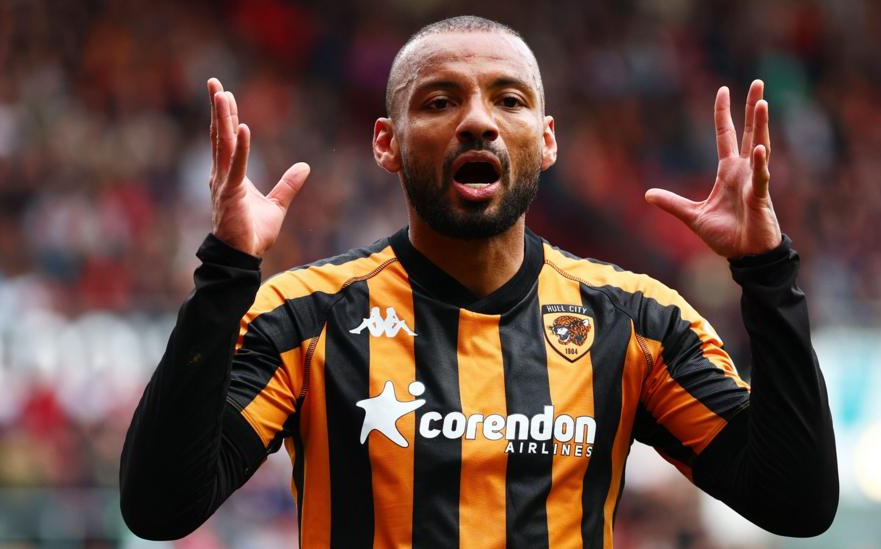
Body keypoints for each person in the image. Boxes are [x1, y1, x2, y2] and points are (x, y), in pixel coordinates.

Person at [120, 15, 838, 547]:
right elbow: (160, 507)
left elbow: (796, 503)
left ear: (546, 139)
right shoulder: (304, 317)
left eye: (509, 100)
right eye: (438, 101)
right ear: (387, 143)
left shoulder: (637, 322)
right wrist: (226, 273)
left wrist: (767, 272)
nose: (476, 121)